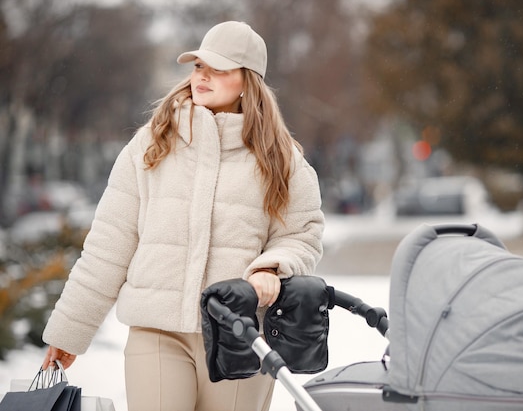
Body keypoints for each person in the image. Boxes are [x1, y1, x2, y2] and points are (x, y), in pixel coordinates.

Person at [41, 21, 325, 411]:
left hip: (241, 335)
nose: (203, 76)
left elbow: (303, 234)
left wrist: (272, 268)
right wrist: (69, 329)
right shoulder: (152, 143)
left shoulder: (282, 158)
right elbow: (109, 245)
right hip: (157, 332)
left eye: (219, 68)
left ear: (248, 81)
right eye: (198, 66)